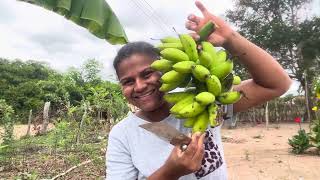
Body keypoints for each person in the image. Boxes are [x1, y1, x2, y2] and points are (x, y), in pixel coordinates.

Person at [106, 1, 292, 180]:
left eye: (147, 74)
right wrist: (170, 173)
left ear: (166, 69)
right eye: (128, 81)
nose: (139, 86)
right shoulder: (122, 134)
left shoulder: (205, 101)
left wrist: (230, 39)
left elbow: (276, 84)